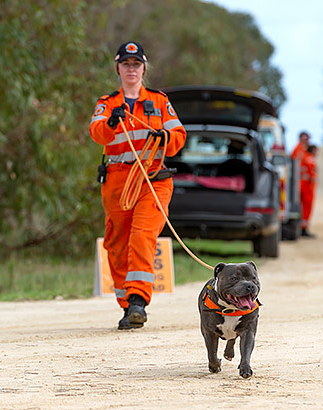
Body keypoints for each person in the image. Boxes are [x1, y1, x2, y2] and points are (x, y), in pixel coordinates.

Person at [88, 41, 187, 330]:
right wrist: (112, 124)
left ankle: (138, 301)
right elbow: (97, 133)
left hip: (154, 180)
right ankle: (126, 306)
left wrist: (164, 137)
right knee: (117, 245)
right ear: (118, 68)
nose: (131, 69)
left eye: (136, 64)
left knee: (143, 237)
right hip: (118, 185)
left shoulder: (158, 102)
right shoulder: (107, 104)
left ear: (144, 68)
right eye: (126, 64)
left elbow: (178, 138)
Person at [300, 144, 318, 238]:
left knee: (304, 208)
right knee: (306, 209)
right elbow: (312, 174)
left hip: (304, 187)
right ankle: (304, 229)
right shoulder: (310, 159)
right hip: (307, 188)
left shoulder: (304, 158)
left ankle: (303, 227)